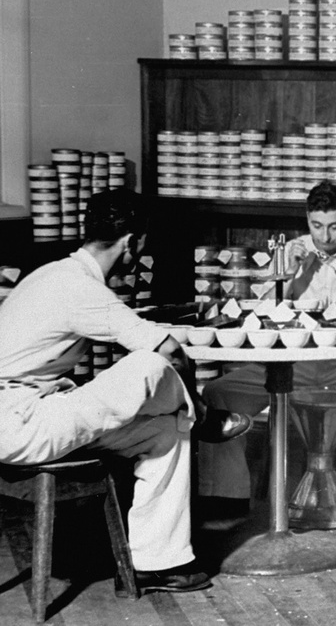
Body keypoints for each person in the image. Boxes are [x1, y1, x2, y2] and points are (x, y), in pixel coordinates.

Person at [0, 188, 251, 594]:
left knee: (166, 432)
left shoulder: (50, 273)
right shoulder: (79, 288)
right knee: (152, 365)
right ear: (132, 242)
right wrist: (196, 399)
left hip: (26, 415)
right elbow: (171, 351)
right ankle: (202, 416)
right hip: (21, 423)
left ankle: (157, 563)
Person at [198, 181, 336, 525]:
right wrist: (286, 275)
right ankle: (227, 496)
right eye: (317, 225)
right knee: (218, 393)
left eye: (334, 226)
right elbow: (261, 317)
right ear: (307, 219)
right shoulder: (289, 252)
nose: (325, 235)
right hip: (292, 364)